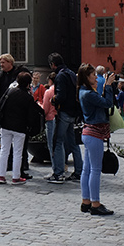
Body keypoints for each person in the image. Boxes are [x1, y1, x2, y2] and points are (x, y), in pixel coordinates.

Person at [76, 63, 115, 215]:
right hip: (94, 134)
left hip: (88, 132)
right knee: (95, 170)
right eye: (93, 75)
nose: (96, 78)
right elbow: (107, 103)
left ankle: (86, 201)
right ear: (87, 78)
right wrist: (109, 86)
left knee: (87, 170)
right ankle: (95, 203)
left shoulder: (83, 91)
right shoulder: (89, 94)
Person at [0, 71, 43, 185]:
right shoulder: (28, 97)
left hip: (6, 126)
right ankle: (15, 177)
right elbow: (32, 115)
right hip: (20, 128)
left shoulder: (10, 92)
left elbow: (0, 105)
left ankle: (1, 175)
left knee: (4, 151)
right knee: (18, 152)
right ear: (28, 83)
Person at [0, 54, 31, 177]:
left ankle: (22, 166)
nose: (2, 65)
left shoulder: (18, 75)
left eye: (3, 62)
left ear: (10, 62)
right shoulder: (0, 77)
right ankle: (9, 166)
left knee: (20, 144)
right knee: (6, 146)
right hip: (5, 113)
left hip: (17, 113)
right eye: (0, 63)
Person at [47, 53, 82, 184]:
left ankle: (58, 173)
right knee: (73, 143)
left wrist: (53, 99)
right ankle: (79, 172)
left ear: (53, 64)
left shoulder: (60, 76)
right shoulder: (71, 73)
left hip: (64, 113)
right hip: (73, 113)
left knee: (58, 142)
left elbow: (60, 95)